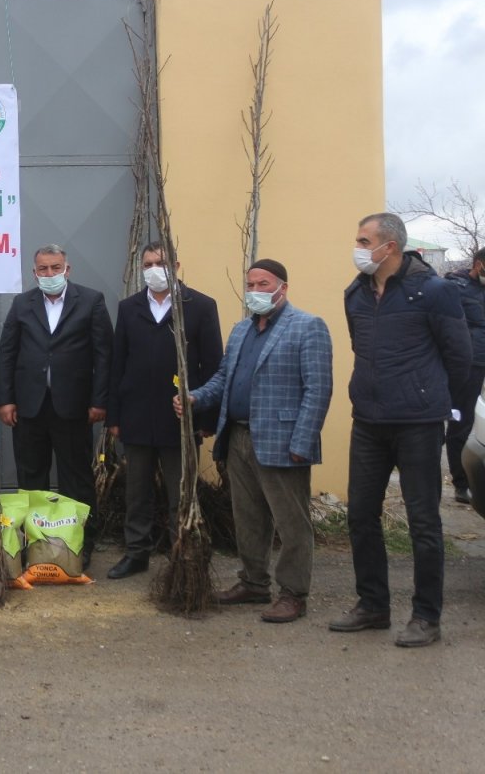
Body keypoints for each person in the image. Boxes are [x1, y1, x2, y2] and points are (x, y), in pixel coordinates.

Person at [331, 213, 471, 647]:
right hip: (369, 422)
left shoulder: (435, 292)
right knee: (360, 517)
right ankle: (373, 606)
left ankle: (426, 617)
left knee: (423, 521)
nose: (357, 247)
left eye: (362, 239)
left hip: (418, 423)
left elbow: (460, 357)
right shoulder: (355, 294)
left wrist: (435, 401)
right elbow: (362, 348)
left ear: (388, 246)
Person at [178, 259, 332, 624]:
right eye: (251, 285)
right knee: (248, 518)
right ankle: (253, 582)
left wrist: (303, 440)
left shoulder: (307, 327)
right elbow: (223, 378)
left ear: (283, 287)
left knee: (291, 521)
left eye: (263, 284)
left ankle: (293, 594)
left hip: (283, 440)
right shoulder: (241, 330)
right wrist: (195, 397)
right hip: (239, 436)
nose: (256, 291)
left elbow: (318, 388)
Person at [106, 241, 223, 579]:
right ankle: (136, 552)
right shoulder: (129, 308)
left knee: (180, 491)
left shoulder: (199, 306)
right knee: (137, 491)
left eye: (160, 262)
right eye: (148, 264)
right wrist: (114, 416)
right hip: (137, 415)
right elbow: (119, 364)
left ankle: (182, 553)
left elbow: (213, 364)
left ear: (176, 264)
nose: (154, 269)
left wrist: (206, 418)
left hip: (180, 419)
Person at [0, 244, 111, 569]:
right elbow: (7, 353)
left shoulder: (91, 301)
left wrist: (99, 400)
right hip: (30, 407)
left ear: (67, 269)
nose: (49, 274)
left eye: (55, 268)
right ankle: (38, 542)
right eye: (43, 269)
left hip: (74, 406)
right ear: (34, 273)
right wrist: (5, 399)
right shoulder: (22, 303)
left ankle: (81, 544)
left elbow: (104, 355)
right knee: (32, 477)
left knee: (76, 478)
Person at [441, 248, 485, 505]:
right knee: (461, 422)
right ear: (479, 265)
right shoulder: (455, 287)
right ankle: (461, 484)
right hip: (468, 365)